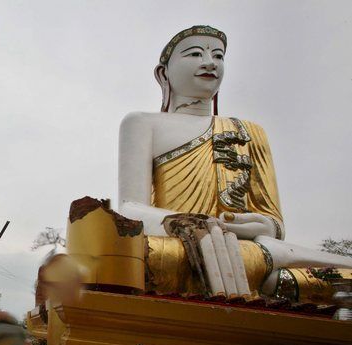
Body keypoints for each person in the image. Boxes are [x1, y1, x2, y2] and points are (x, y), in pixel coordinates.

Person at [117, 25, 352, 297]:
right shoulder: (143, 123)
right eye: (194, 54)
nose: (209, 63)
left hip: (245, 249)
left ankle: (273, 265)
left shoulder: (249, 131)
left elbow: (273, 222)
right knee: (140, 258)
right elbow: (129, 209)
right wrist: (187, 224)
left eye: (218, 56)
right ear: (163, 73)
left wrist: (262, 225)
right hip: (175, 248)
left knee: (306, 273)